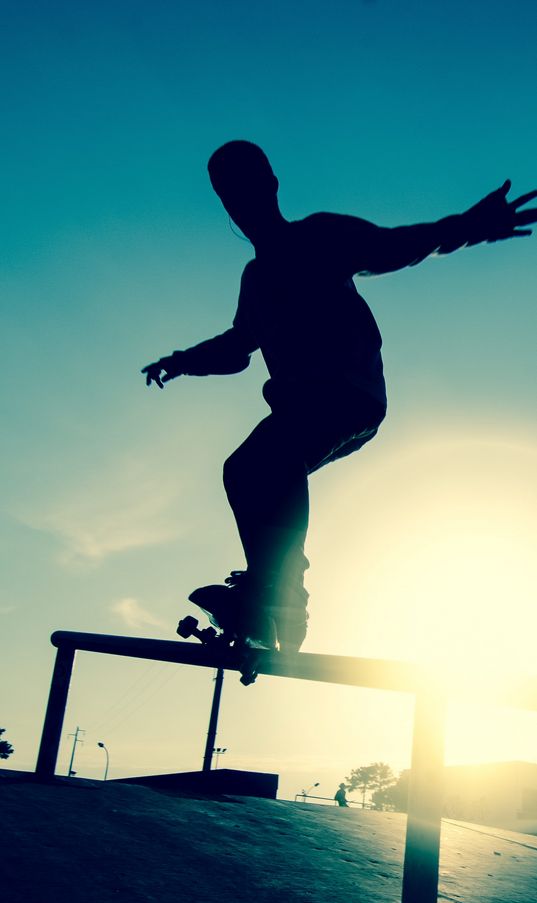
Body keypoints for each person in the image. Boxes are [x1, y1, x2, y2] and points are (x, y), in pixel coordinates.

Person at [142, 141, 536, 650]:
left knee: (272, 456)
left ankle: (282, 595)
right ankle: (269, 597)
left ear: (271, 186)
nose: (241, 203)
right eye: (229, 195)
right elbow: (239, 346)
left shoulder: (319, 236)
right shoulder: (256, 278)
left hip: (348, 393)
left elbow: (393, 246)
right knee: (245, 469)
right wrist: (182, 362)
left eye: (248, 188)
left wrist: (467, 227)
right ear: (224, 203)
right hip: (303, 404)